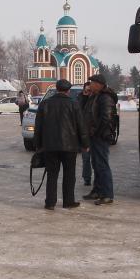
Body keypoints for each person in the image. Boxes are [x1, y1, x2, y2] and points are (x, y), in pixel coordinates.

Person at [34, 79, 90, 210]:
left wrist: (38, 144)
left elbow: (38, 126)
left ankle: (50, 202)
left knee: (52, 174)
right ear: (68, 90)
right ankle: (68, 201)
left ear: (56, 89)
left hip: (50, 146)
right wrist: (85, 143)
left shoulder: (45, 104)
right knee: (69, 174)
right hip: (70, 146)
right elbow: (81, 126)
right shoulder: (74, 104)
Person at [83, 73, 117, 205]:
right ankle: (97, 190)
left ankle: (107, 194)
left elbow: (106, 119)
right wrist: (85, 96)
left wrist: (95, 132)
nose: (89, 85)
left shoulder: (105, 98)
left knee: (102, 164)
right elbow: (84, 111)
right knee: (96, 164)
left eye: (92, 83)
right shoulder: (94, 96)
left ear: (98, 84)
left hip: (100, 136)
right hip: (94, 135)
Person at [78, 82, 94, 187]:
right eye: (86, 90)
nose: (88, 92)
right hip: (85, 134)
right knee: (86, 158)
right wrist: (84, 96)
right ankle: (87, 178)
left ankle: (98, 180)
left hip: (95, 133)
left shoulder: (96, 98)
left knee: (97, 159)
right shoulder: (80, 98)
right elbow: (78, 111)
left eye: (90, 90)